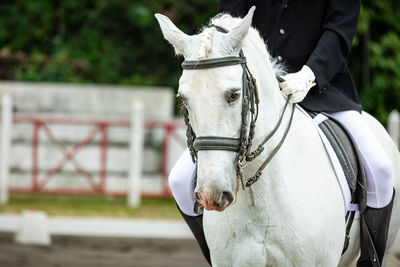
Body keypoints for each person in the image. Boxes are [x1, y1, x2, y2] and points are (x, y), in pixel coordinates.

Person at [169, 1, 395, 266]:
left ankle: (371, 260)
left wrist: (310, 76)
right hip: (253, 94)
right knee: (179, 179)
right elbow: (228, 21)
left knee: (380, 170)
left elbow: (338, 31)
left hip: (323, 91)